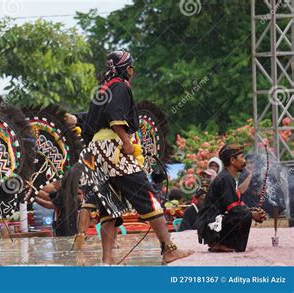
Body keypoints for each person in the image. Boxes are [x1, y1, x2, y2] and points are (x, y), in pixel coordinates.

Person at [80, 50, 193, 264]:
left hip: (97, 151)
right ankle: (168, 249)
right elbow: (115, 117)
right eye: (132, 68)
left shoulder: (102, 90)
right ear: (128, 69)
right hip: (115, 147)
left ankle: (107, 260)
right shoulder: (120, 86)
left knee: (109, 205)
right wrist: (125, 142)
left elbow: (88, 128)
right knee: (147, 195)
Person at [197, 145, 267, 252]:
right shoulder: (226, 178)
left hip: (213, 221)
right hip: (211, 225)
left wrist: (251, 211)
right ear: (233, 160)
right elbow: (233, 208)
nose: (245, 161)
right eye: (242, 158)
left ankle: (223, 243)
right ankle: (218, 243)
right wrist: (251, 214)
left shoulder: (227, 177)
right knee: (244, 217)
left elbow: (234, 204)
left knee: (245, 214)